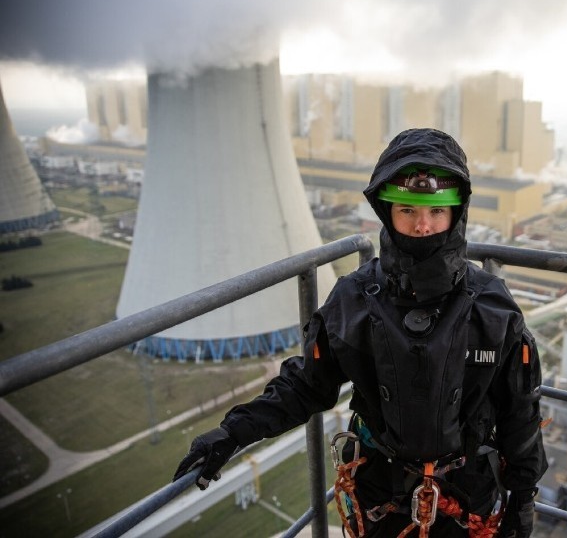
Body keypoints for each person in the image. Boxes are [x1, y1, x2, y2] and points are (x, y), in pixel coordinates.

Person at [173, 128, 547, 537]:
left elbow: (519, 413)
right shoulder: (353, 299)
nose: (423, 226)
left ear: (457, 213)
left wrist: (521, 500)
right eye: (407, 210)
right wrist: (233, 433)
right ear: (386, 212)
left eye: (437, 212)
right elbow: (307, 385)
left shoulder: (492, 307)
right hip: (381, 497)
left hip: (466, 497)